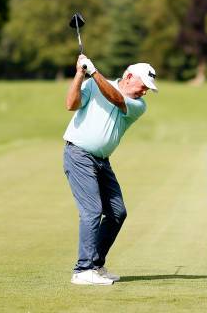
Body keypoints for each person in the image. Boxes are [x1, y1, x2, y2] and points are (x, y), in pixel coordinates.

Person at [63, 54, 158, 285]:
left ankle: (95, 264)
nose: (145, 92)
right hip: (79, 154)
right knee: (93, 210)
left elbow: (115, 98)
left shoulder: (138, 105)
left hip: (102, 161)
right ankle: (83, 270)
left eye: (148, 88)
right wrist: (80, 74)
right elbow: (71, 104)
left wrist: (94, 72)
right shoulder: (92, 84)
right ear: (128, 76)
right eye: (143, 86)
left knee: (117, 212)